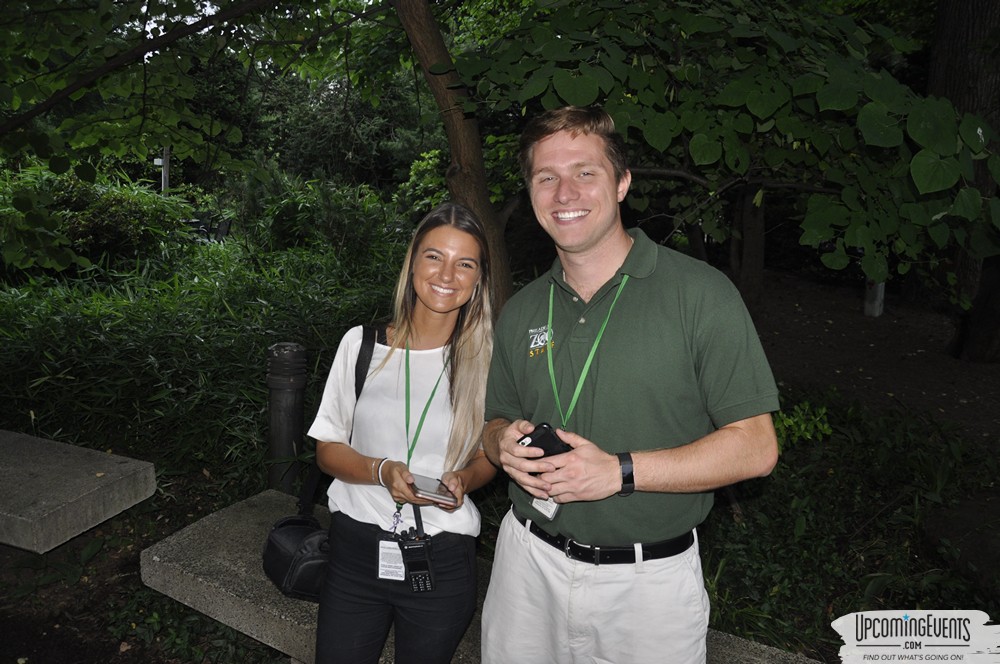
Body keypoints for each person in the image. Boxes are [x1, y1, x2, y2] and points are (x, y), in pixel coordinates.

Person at [480, 106, 781, 664]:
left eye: (585, 172)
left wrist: (618, 472)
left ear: (621, 183)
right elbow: (493, 419)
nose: (565, 192)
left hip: (648, 588)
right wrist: (500, 441)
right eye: (546, 177)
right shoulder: (521, 310)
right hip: (526, 567)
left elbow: (756, 448)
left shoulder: (700, 294)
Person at [307, 202, 497, 664]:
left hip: (442, 558)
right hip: (354, 552)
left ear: (478, 280)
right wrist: (381, 470)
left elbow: (489, 456)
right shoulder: (362, 345)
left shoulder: (488, 361)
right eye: (434, 256)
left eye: (464, 263)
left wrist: (464, 479)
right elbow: (327, 450)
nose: (446, 274)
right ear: (412, 263)